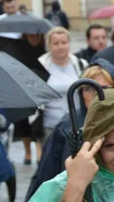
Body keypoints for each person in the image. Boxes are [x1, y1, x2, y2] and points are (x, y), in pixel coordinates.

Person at [27, 61, 114, 202]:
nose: (97, 94)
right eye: (89, 88)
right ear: (81, 93)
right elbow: (45, 175)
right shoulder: (67, 126)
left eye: (104, 88)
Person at [38, 27, 89, 164]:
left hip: (76, 124)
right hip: (50, 123)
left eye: (64, 42)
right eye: (56, 43)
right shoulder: (41, 66)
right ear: (49, 45)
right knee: (52, 162)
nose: (61, 47)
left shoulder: (80, 64)